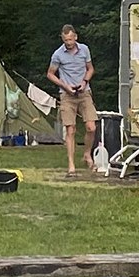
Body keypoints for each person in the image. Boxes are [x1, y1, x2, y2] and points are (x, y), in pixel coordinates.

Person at [47, 24, 97, 176]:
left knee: (91, 127)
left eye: (70, 39)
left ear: (76, 37)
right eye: (65, 40)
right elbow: (50, 74)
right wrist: (65, 85)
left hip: (84, 91)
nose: (68, 43)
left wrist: (84, 82)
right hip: (67, 94)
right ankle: (71, 165)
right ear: (62, 39)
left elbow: (90, 69)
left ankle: (87, 154)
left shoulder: (84, 50)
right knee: (71, 129)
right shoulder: (58, 54)